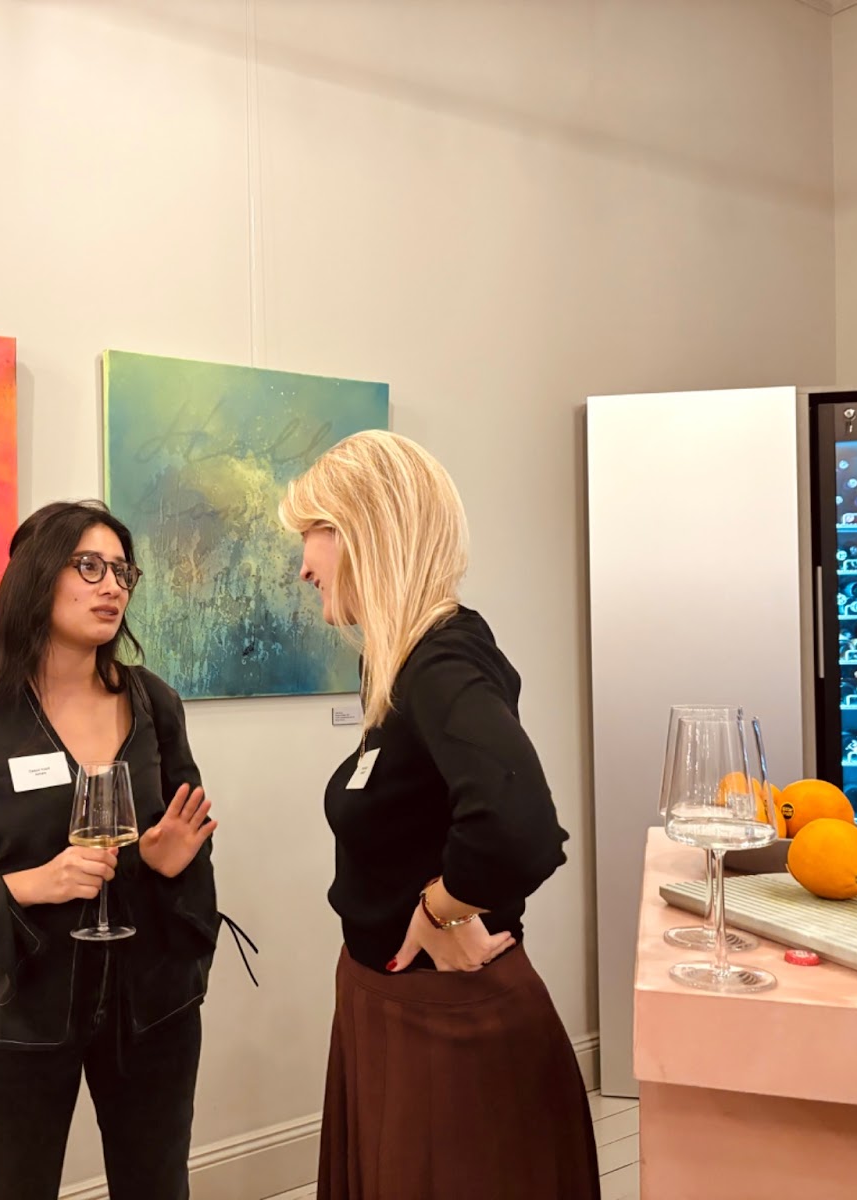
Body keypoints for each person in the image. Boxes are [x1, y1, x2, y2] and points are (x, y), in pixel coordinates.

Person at [279, 430, 601, 1200]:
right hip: (392, 1009)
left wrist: (438, 909)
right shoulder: (393, 663)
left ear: (364, 530)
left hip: (446, 1023)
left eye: (312, 534)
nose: (304, 566)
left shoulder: (441, 658)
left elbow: (518, 830)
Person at [0, 500, 219, 1200]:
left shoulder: (154, 703)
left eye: (122, 571)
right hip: (17, 1015)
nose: (112, 587)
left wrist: (164, 865)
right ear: (38, 577)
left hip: (151, 1011)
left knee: (158, 1187)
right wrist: (26, 885)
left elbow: (187, 840)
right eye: (89, 567)